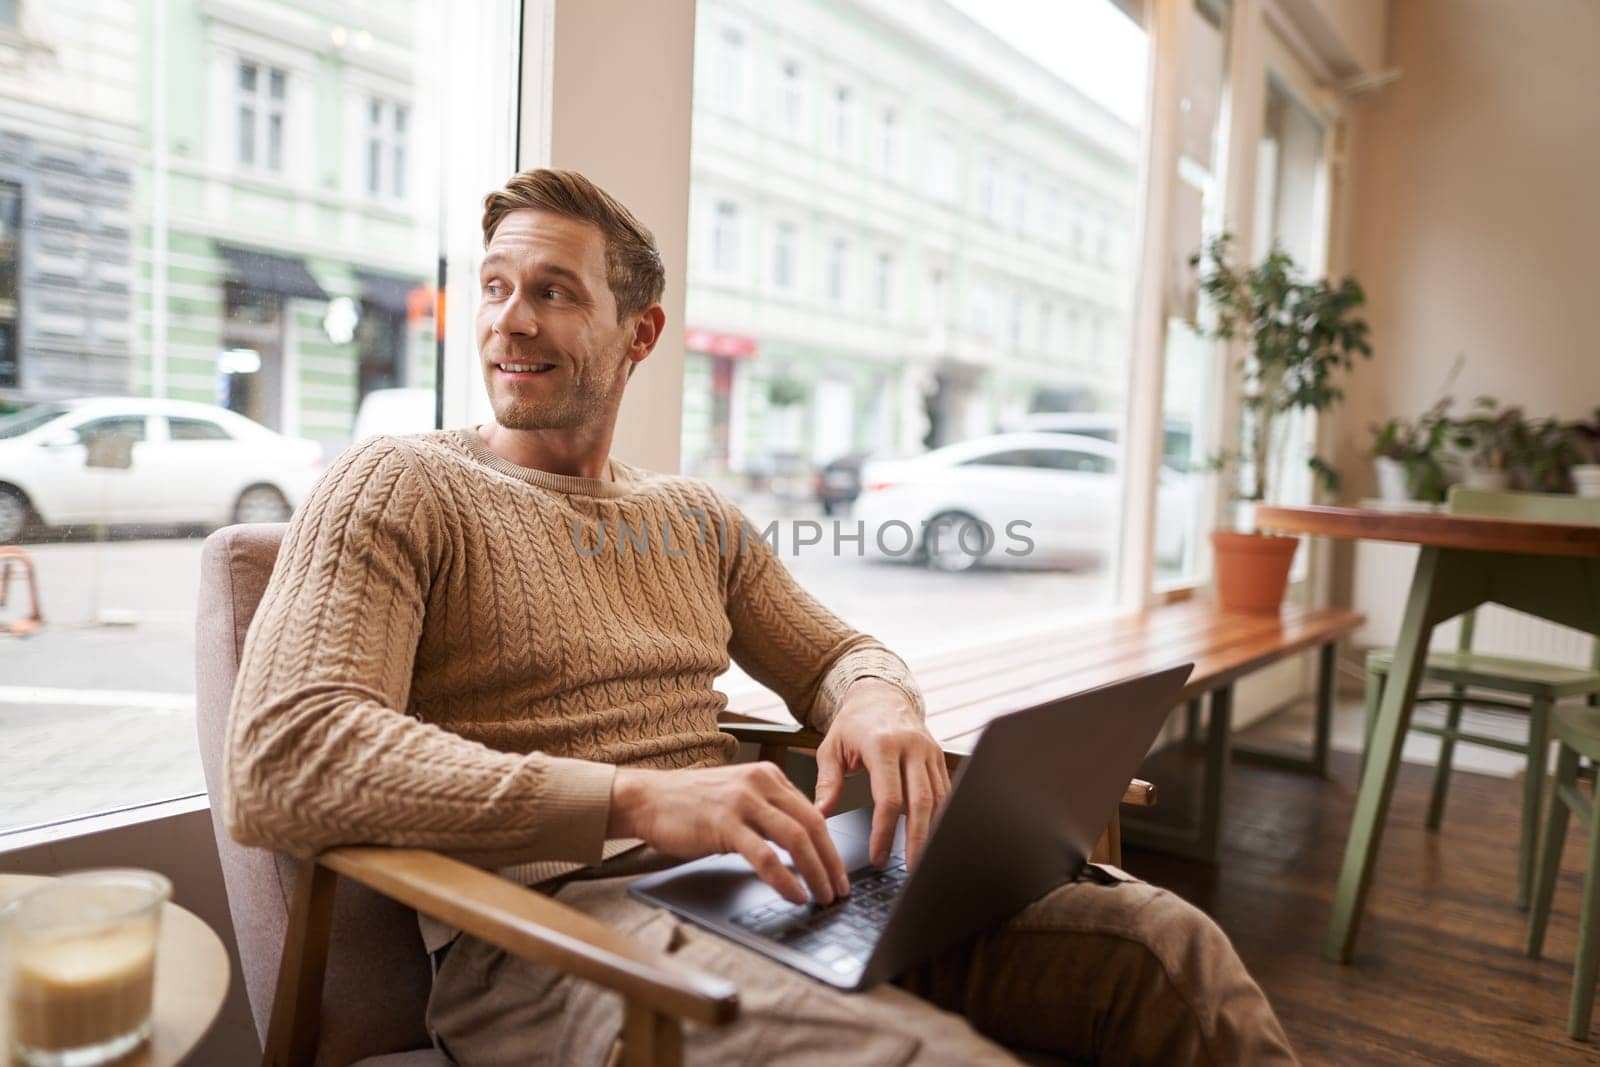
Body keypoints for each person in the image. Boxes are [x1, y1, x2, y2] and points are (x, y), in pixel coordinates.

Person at [225, 168, 1297, 1065]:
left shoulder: (690, 514)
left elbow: (837, 649)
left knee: (1164, 941)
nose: (509, 317)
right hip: (557, 936)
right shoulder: (400, 482)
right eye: (497, 287)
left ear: (638, 333)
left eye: (552, 290)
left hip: (762, 891)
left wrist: (874, 695)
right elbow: (284, 755)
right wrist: (637, 797)